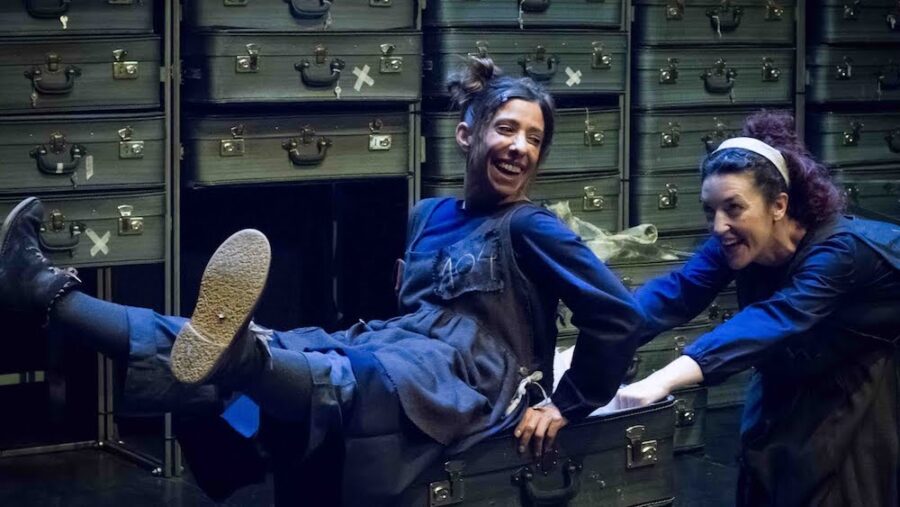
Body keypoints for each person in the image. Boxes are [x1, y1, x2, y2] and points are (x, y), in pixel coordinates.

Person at [0, 57, 642, 506]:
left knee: (334, 377)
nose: (521, 147)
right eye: (507, 129)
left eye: (535, 139)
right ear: (467, 133)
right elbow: (412, 314)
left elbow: (617, 314)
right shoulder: (427, 215)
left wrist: (566, 404)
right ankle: (49, 293)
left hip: (473, 378)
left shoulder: (529, 227)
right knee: (282, 346)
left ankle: (240, 356)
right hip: (402, 348)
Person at [614, 110, 900, 506]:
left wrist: (662, 379)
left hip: (862, 377)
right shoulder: (734, 242)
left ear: (778, 205)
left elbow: (775, 317)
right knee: (762, 476)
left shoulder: (840, 253)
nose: (719, 226)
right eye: (710, 210)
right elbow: (678, 291)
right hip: (793, 371)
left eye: (734, 208)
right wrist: (601, 339)